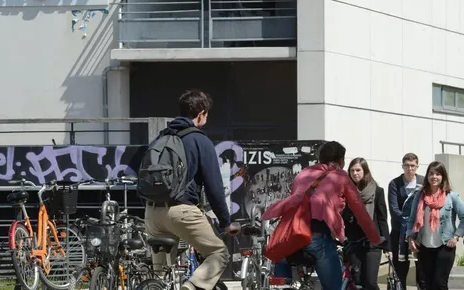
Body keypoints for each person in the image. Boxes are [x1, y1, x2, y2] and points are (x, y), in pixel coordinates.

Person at [144, 89, 241, 290]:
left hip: (152, 212)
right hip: (181, 211)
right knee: (218, 253)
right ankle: (191, 287)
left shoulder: (161, 138)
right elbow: (214, 187)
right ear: (201, 114)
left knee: (160, 275)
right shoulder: (200, 140)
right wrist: (226, 223)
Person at [262, 141, 384, 290]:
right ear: (341, 160)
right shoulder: (341, 176)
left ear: (320, 159)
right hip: (317, 237)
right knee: (334, 286)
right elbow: (361, 213)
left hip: (292, 236)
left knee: (281, 278)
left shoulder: (304, 173)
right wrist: (376, 239)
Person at [406, 161, 464, 290]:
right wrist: (410, 237)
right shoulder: (419, 195)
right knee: (425, 284)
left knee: (440, 284)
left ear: (443, 177)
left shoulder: (451, 196)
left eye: (438, 174)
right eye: (431, 174)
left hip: (445, 246)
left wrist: (456, 236)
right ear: (427, 176)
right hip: (424, 246)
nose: (434, 177)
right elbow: (412, 219)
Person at [342, 157, 390, 290]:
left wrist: (387, 246)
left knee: (370, 282)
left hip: (373, 243)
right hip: (354, 241)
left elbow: (382, 219)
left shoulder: (377, 191)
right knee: (356, 281)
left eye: (358, 170)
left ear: (365, 171)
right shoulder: (346, 192)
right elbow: (342, 216)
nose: (355, 173)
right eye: (352, 171)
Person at [387, 153, 425, 289]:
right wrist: (409, 223)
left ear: (417, 166)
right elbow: (394, 209)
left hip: (420, 234)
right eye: (407, 166)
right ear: (402, 166)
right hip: (399, 234)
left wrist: (416, 225)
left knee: (422, 273)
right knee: (401, 273)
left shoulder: (423, 182)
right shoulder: (394, 184)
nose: (410, 169)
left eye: (413, 166)